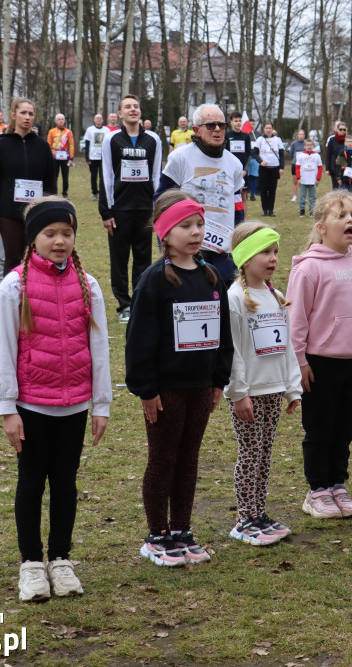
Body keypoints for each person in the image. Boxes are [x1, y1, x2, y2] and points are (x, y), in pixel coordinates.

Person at [0, 196, 111, 601]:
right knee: (30, 484)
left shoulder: (87, 284)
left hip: (74, 406)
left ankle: (60, 560)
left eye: (67, 233)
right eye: (50, 234)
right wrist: (7, 407)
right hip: (31, 407)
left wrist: (101, 404)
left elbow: (100, 347)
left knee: (64, 484)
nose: (60, 241)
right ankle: (30, 564)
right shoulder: (15, 285)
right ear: (33, 239)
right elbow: (3, 347)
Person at [126, 193, 233, 566]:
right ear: (164, 233)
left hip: (201, 387)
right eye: (185, 226)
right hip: (165, 391)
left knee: (189, 459)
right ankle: (157, 535)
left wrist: (219, 380)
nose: (195, 232)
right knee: (163, 460)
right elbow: (139, 340)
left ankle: (182, 530)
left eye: (199, 225)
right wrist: (146, 390)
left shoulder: (212, 276)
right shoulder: (154, 280)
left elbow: (223, 333)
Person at [287, 190, 352, 519]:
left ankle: (338, 483)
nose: (350, 220)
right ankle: (317, 489)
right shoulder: (309, 269)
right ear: (322, 227)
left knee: (344, 427)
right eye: (341, 216)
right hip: (318, 364)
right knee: (320, 427)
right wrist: (300, 361)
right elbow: (296, 320)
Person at [225, 222, 301, 546]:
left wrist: (292, 389)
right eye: (264, 252)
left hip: (272, 390)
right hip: (248, 393)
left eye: (274, 252)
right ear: (244, 256)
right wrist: (239, 393)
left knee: (265, 454)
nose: (272, 259)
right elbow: (232, 352)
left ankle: (260, 513)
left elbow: (287, 348)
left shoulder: (276, 296)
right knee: (250, 454)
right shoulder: (235, 299)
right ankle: (244, 519)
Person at [156, 103, 245, 285]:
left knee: (223, 299)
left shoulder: (234, 163)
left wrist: (241, 237)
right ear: (196, 130)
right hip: (189, 246)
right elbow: (161, 201)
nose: (218, 129)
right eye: (211, 125)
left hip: (224, 248)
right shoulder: (180, 158)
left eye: (222, 125)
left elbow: (237, 205)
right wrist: (164, 242)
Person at [99, 94, 160, 323]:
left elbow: (155, 175)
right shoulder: (111, 140)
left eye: (136, 106)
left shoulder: (153, 140)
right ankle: (123, 304)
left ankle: (139, 301)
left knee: (144, 259)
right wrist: (106, 211)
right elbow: (106, 176)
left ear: (140, 112)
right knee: (120, 259)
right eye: (128, 107)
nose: (133, 109)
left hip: (145, 209)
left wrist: (156, 210)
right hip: (120, 211)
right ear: (120, 114)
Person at [0, 97, 57, 272]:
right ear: (13, 115)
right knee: (12, 259)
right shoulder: (2, 145)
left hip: (36, 211)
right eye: (23, 113)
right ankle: (11, 298)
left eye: (31, 114)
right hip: (8, 213)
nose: (27, 117)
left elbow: (50, 181)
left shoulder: (42, 146)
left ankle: (34, 298)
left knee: (37, 259)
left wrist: (51, 209)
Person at [252, 122, 284, 217]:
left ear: (272, 129)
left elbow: (281, 155)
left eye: (270, 128)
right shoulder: (260, 140)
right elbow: (254, 153)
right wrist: (260, 161)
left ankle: (271, 210)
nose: (268, 130)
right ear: (264, 129)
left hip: (274, 168)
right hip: (264, 168)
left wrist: (281, 167)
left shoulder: (277, 140)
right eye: (267, 128)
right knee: (264, 189)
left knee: (272, 190)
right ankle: (264, 210)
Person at [81, 114, 110, 201]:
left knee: (103, 176)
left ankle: (102, 193)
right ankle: (94, 193)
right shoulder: (90, 130)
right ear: (94, 120)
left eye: (101, 118)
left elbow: (108, 144)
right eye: (97, 118)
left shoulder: (107, 130)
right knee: (93, 176)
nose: (99, 120)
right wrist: (87, 158)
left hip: (103, 158)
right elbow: (87, 144)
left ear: (103, 120)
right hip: (93, 157)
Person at [46, 114, 75, 198]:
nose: (61, 121)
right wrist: (50, 156)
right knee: (54, 176)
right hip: (54, 157)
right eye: (59, 119)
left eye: (62, 119)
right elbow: (48, 144)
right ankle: (54, 192)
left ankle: (65, 193)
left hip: (65, 157)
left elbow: (71, 145)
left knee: (65, 176)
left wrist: (71, 158)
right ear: (56, 121)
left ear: (64, 121)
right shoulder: (51, 131)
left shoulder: (68, 132)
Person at [294, 138, 323, 217]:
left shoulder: (317, 156)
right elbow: (297, 167)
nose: (309, 147)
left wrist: (318, 179)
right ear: (305, 146)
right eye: (307, 145)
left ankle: (311, 211)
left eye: (311, 145)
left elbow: (320, 167)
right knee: (302, 196)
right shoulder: (301, 156)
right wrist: (298, 178)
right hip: (303, 179)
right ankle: (302, 211)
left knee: (312, 197)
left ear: (313, 146)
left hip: (312, 179)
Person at [225, 113, 252, 181]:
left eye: (240, 121)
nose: (238, 123)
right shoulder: (227, 135)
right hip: (230, 169)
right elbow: (224, 153)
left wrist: (245, 170)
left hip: (243, 171)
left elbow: (249, 154)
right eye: (236, 121)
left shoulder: (246, 136)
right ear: (231, 122)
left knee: (243, 190)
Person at [287, 129, 306, 202]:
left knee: (303, 182)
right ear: (297, 135)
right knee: (295, 181)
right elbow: (291, 154)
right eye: (300, 134)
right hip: (295, 165)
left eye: (302, 134)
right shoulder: (294, 144)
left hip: (304, 165)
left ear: (304, 135)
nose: (301, 136)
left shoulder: (306, 143)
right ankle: (294, 196)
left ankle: (303, 196)